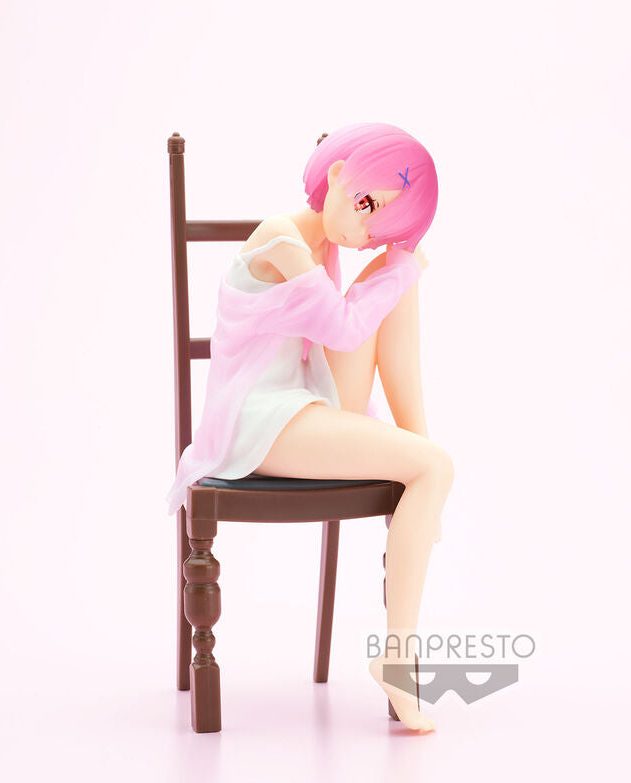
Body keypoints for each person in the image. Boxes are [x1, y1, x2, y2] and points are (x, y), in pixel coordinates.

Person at [167, 122, 455, 732]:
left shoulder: (327, 240)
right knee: (434, 465)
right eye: (367, 205)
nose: (364, 231)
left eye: (379, 224)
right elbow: (344, 330)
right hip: (257, 421)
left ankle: (422, 462)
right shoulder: (282, 239)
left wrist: (398, 260)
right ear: (340, 172)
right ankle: (399, 657)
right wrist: (401, 270)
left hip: (304, 401)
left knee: (399, 281)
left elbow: (352, 325)